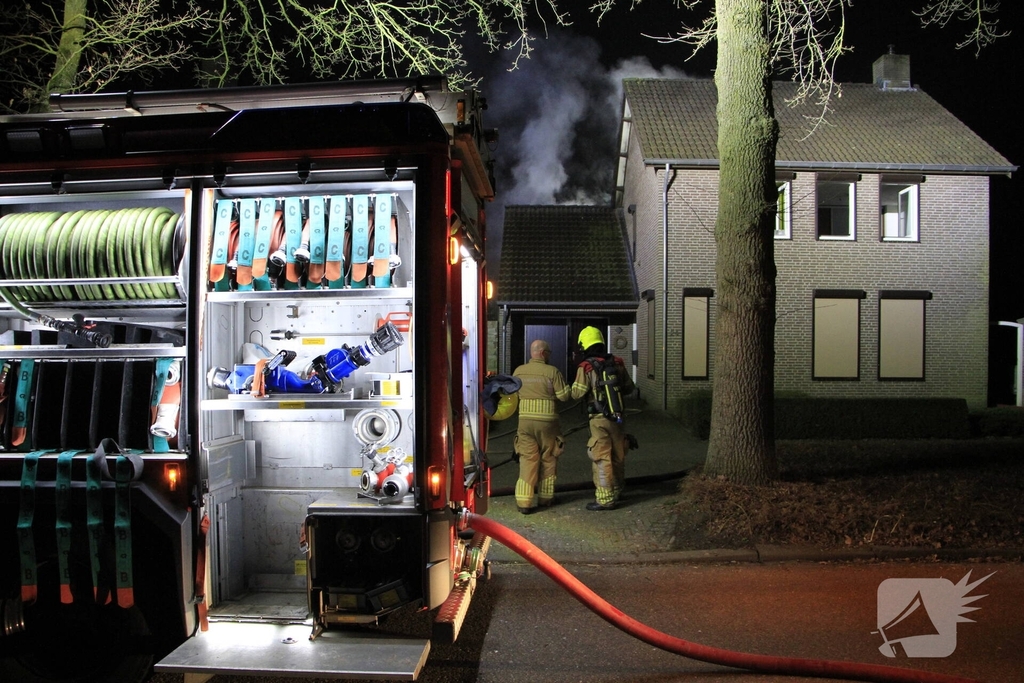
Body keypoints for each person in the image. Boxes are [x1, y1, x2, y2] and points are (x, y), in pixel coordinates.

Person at [571, 326, 635, 511]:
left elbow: (577, 393)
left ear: (584, 344)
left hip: (598, 419)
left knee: (601, 457)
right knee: (618, 454)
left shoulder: (586, 367)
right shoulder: (617, 363)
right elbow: (629, 388)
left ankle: (605, 499)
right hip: (618, 416)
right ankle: (617, 489)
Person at [511, 339, 571, 514]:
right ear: (544, 353)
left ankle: (524, 503)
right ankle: (545, 498)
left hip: (524, 423)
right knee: (549, 458)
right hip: (548, 424)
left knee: (527, 460)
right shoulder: (552, 371)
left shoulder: (519, 371)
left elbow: (513, 395)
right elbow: (564, 396)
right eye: (549, 353)